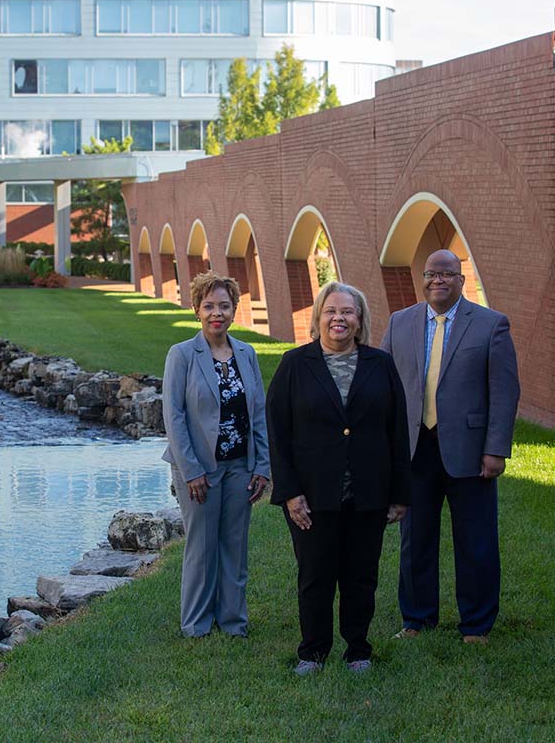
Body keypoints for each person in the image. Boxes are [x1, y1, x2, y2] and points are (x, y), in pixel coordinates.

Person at [267, 282, 410, 674]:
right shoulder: (295, 365)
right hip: (313, 496)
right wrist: (290, 493)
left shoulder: (380, 364)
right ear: (318, 317)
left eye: (348, 312)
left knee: (361, 575)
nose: (339, 319)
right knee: (315, 575)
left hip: (368, 493)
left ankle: (358, 650)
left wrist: (399, 493)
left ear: (360, 319)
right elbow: (277, 434)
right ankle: (312, 652)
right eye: (331, 311)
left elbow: (398, 431)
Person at [380, 249, 520, 644]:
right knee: (415, 540)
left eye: (446, 274)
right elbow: (385, 385)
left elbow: (505, 392)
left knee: (475, 540)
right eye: (430, 274)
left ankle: (476, 625)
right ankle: (417, 619)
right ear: (422, 279)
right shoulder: (400, 322)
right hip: (414, 448)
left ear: (461, 279)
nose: (437, 280)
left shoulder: (491, 325)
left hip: (470, 451)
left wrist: (496, 449)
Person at [162, 271, 271, 638]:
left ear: (234, 309)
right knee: (202, 547)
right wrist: (191, 470)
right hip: (199, 468)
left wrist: (262, 466)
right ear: (196, 309)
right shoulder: (181, 355)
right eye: (209, 306)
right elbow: (174, 418)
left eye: (224, 305)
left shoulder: (246, 353)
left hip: (240, 464)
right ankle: (196, 624)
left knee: (234, 546)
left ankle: (233, 621)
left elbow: (258, 412)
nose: (216, 313)